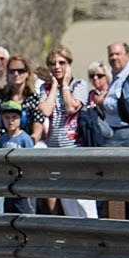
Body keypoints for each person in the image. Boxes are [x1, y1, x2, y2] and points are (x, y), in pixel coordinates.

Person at [37, 45, 98, 218]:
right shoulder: (45, 88)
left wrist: (65, 85)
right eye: (52, 63)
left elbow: (72, 107)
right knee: (66, 197)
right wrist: (54, 86)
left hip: (76, 149)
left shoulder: (79, 85)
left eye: (61, 63)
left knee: (83, 198)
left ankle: (92, 228)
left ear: (69, 65)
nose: (57, 67)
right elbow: (46, 110)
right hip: (55, 150)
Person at [0, 54, 45, 145]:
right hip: (1, 144)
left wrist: (27, 144)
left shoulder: (34, 99)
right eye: (12, 71)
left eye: (20, 70)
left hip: (25, 146)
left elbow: (37, 131)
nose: (16, 74)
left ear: (27, 73)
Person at [0, 100, 35, 214]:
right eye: (7, 117)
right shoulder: (3, 139)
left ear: (21, 118)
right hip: (9, 183)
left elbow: (32, 161)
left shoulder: (25, 139)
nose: (10, 121)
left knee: (25, 213)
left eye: (14, 117)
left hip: (24, 185)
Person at [102, 42, 129, 147]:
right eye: (111, 55)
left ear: (128, 56)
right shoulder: (116, 75)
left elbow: (128, 105)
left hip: (127, 133)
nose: (114, 58)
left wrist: (102, 102)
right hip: (114, 131)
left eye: (117, 54)